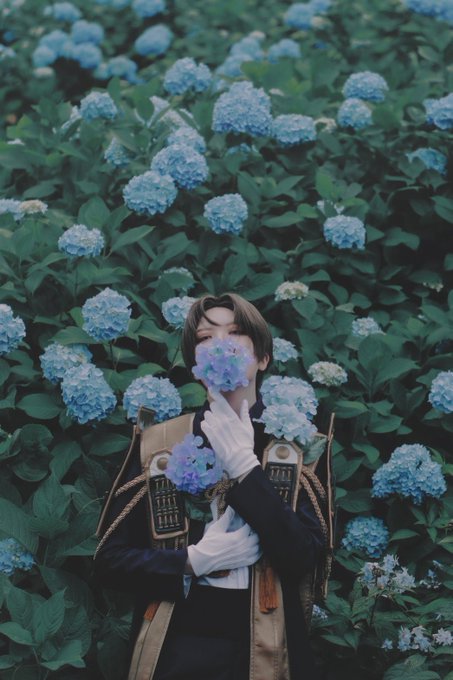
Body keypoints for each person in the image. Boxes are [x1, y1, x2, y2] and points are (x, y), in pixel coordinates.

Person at [94, 293, 327, 680]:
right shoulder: (158, 443)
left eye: (235, 333)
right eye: (205, 337)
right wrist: (192, 561)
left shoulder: (300, 446)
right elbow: (110, 563)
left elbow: (304, 560)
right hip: (176, 650)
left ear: (263, 358)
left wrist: (244, 467)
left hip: (270, 651)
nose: (220, 344)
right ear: (194, 364)